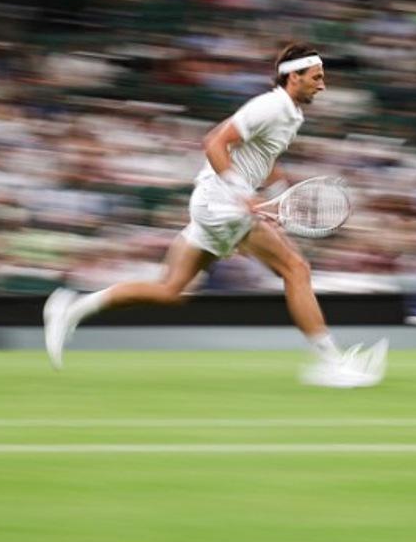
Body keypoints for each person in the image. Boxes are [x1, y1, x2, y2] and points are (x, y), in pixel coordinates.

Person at [43, 43, 387, 387]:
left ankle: (72, 308)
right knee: (296, 268)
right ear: (293, 77)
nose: (322, 85)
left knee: (170, 290)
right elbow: (214, 142)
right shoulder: (269, 107)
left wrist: (276, 193)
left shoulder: (290, 113)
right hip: (222, 205)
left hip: (214, 204)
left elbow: (258, 160)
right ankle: (331, 363)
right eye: (317, 77)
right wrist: (244, 196)